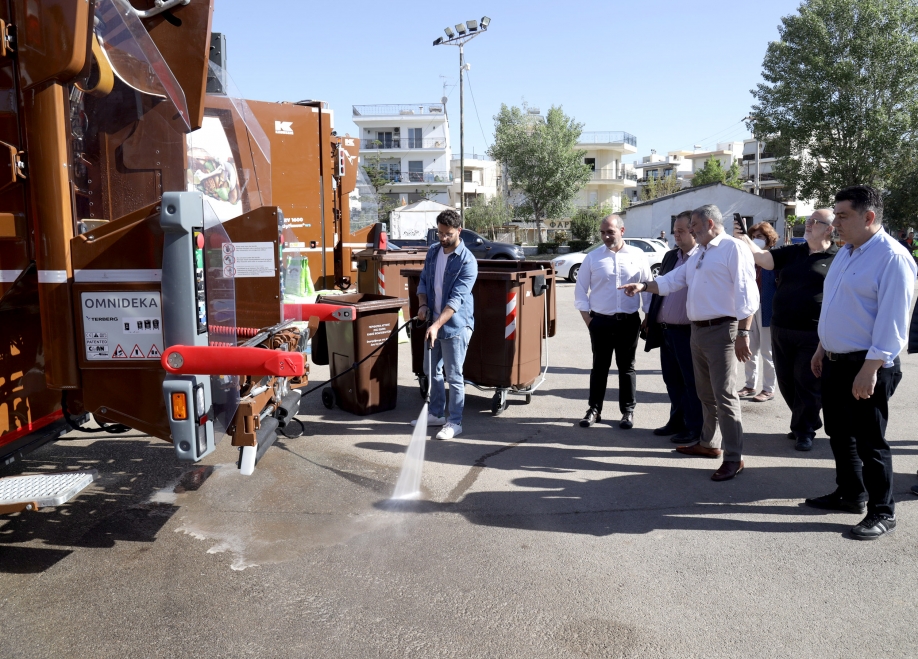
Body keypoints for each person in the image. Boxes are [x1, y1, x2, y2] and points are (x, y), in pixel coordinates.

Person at [806, 185, 916, 540]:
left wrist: (870, 368)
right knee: (839, 433)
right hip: (837, 361)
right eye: (834, 215)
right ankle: (850, 493)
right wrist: (823, 347)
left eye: (842, 216)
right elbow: (838, 307)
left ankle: (883, 511)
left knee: (871, 442)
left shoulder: (892, 258)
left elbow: (893, 321)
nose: (835, 223)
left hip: (868, 365)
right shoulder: (848, 252)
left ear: (868, 217)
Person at [620, 205, 758, 481]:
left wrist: (744, 332)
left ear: (708, 223)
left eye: (693, 225)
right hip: (699, 332)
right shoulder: (702, 253)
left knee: (725, 396)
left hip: (723, 330)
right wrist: (644, 286)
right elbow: (674, 280)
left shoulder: (733, 248)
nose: (691, 230)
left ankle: (734, 457)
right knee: (705, 394)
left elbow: (747, 290)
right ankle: (708, 443)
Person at [734, 209, 837, 451]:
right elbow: (762, 258)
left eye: (815, 222)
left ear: (830, 229)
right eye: (808, 220)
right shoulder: (794, 252)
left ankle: (804, 431)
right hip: (782, 328)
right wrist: (743, 236)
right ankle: (808, 420)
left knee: (806, 382)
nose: (808, 224)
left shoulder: (839, 257)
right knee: (786, 382)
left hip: (812, 332)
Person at [575, 214, 651, 429]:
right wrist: (588, 320)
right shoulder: (593, 258)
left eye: (610, 231)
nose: (606, 236)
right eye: (603, 232)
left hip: (629, 322)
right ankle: (594, 409)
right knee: (599, 367)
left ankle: (628, 411)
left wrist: (648, 316)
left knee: (627, 367)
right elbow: (580, 291)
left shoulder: (637, 255)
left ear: (622, 231)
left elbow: (648, 287)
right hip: (600, 322)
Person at [414, 209, 478, 440]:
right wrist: (422, 306)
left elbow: (456, 301)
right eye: (439, 233)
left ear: (458, 231)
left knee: (454, 375)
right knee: (431, 371)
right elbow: (423, 281)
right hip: (434, 322)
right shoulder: (433, 252)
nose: (442, 238)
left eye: (447, 234)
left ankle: (454, 422)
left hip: (455, 327)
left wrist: (436, 325)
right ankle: (436, 414)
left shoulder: (467, 262)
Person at [642, 211, 703, 444]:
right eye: (674, 231)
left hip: (688, 332)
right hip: (666, 329)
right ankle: (676, 421)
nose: (675, 235)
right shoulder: (670, 256)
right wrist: (650, 317)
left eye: (681, 231)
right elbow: (662, 287)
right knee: (672, 380)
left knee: (691, 381)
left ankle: (694, 427)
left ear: (694, 231)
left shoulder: (701, 258)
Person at [736, 222, 778, 403]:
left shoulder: (775, 258)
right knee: (749, 350)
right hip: (750, 309)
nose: (756, 240)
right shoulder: (748, 259)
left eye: (760, 237)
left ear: (769, 240)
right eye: (754, 237)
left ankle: (768, 389)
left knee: (767, 353)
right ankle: (749, 385)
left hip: (768, 310)